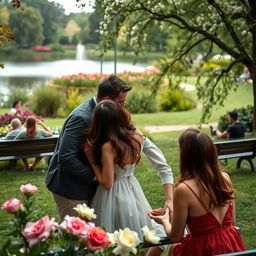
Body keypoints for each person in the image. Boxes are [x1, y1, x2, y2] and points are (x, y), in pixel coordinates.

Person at [45, 74, 173, 223]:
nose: (123, 106)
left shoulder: (115, 121)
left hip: (107, 191)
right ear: (107, 101)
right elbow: (66, 156)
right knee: (77, 239)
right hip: (72, 189)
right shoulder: (82, 118)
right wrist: (97, 176)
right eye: (121, 102)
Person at [85, 100, 166, 256]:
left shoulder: (108, 146)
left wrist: (92, 159)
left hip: (113, 195)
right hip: (133, 188)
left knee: (113, 240)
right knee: (137, 236)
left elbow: (107, 183)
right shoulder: (136, 137)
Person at [149, 128, 246, 256]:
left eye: (180, 149)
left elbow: (176, 236)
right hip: (231, 244)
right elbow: (231, 220)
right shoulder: (225, 178)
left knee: (173, 247)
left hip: (203, 249)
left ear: (186, 155)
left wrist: (165, 221)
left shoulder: (183, 189)